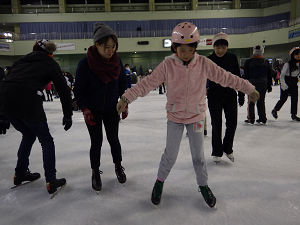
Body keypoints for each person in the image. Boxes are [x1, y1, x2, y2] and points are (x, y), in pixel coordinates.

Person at [116, 22, 259, 208]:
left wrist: (248, 88)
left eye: (189, 50)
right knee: (170, 155)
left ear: (195, 48)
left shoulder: (204, 63)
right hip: (175, 118)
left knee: (198, 157)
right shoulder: (168, 65)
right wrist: (126, 98)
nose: (185, 54)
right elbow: (147, 84)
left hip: (196, 117)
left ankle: (203, 185)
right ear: (174, 48)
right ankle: (159, 182)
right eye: (181, 50)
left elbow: (227, 77)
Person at [0, 39, 73, 194]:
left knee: (28, 134)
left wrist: (2, 113)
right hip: (28, 102)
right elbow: (63, 89)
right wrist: (68, 114)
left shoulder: (20, 60)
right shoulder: (49, 62)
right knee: (46, 140)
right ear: (50, 53)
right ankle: (51, 180)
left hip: (7, 103)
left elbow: (6, 82)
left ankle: (20, 173)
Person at [73, 23, 128, 192]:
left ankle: (118, 166)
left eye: (113, 47)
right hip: (93, 110)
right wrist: (85, 108)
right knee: (96, 142)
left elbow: (121, 83)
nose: (110, 50)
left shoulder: (117, 61)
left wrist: (124, 101)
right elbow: (79, 90)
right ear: (96, 44)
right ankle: (95, 171)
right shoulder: (85, 64)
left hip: (112, 108)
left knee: (114, 139)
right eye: (106, 47)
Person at [207, 32, 245, 163]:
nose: (220, 50)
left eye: (223, 47)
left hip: (230, 95)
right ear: (214, 47)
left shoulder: (232, 58)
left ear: (227, 47)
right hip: (214, 96)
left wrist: (241, 94)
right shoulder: (209, 59)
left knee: (232, 123)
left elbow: (237, 78)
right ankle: (217, 151)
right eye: (218, 47)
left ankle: (228, 148)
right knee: (216, 124)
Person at [243, 45, 273, 124]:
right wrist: (269, 86)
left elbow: (246, 74)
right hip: (263, 84)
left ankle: (251, 118)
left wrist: (245, 85)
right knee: (261, 101)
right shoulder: (265, 61)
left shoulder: (248, 61)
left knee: (251, 102)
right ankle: (262, 118)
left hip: (252, 83)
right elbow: (269, 75)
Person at [272, 47, 300, 121]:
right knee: (283, 98)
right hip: (286, 81)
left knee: (295, 99)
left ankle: (293, 115)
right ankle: (275, 110)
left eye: (299, 54)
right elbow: (282, 75)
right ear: (292, 55)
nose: (298, 55)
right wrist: (283, 84)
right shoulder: (288, 64)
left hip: (294, 82)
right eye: (296, 54)